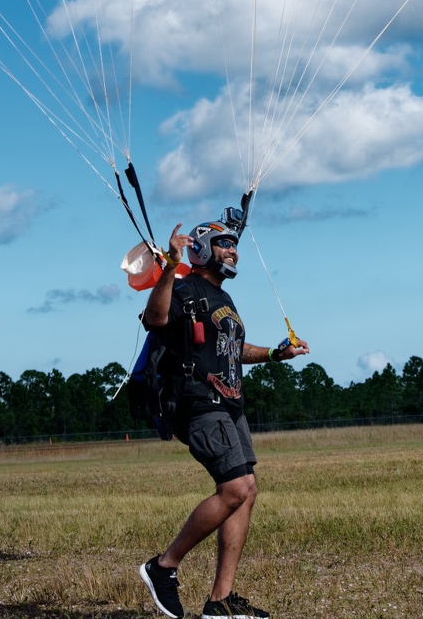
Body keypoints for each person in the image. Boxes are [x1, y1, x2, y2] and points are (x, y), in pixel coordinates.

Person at [137, 218, 310, 618]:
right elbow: (155, 320)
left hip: (230, 405)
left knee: (246, 492)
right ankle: (162, 567)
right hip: (199, 403)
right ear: (201, 251)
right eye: (224, 244)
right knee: (235, 488)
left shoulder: (223, 298)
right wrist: (169, 266)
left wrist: (274, 354)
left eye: (234, 245)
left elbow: (232, 347)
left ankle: (219, 602)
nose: (233, 250)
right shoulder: (184, 288)